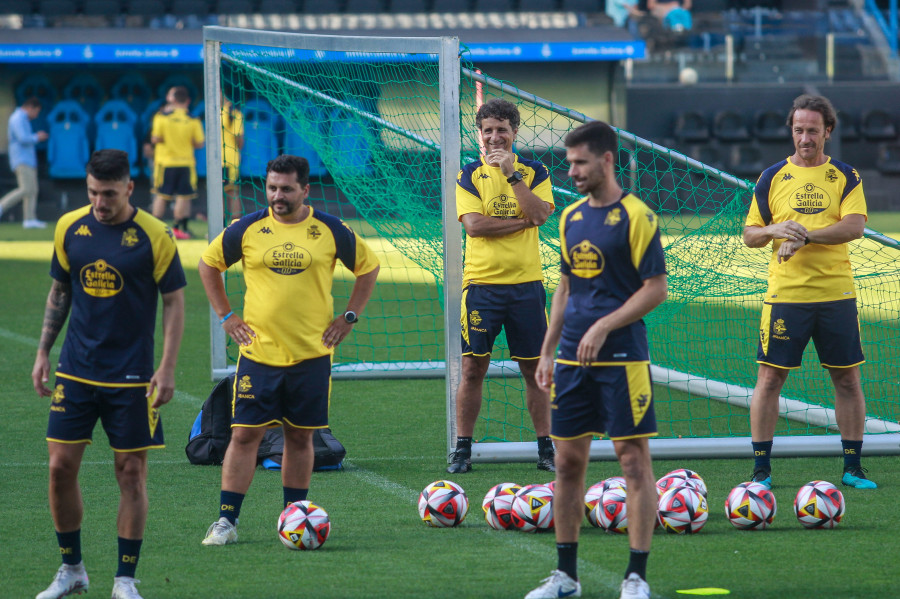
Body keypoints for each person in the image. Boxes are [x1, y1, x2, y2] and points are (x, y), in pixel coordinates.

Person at [199, 154, 380, 546]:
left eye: (286, 189)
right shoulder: (247, 228)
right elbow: (208, 264)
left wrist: (348, 317)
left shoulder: (331, 230)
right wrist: (227, 316)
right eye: (272, 187)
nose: (277, 196)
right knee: (244, 436)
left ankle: (293, 517)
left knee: (299, 439)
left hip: (312, 355)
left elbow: (369, 267)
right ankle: (226, 521)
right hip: (258, 354)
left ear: (305, 190)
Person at [32, 149, 186, 599]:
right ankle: (72, 569)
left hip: (133, 377)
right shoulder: (70, 227)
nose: (101, 203)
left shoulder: (155, 235)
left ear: (130, 188)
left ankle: (124, 580)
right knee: (60, 468)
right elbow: (59, 291)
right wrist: (43, 352)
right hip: (76, 370)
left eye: (110, 194)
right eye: (94, 193)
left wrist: (168, 366)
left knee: (131, 473)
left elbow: (175, 301)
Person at [527, 121, 667, 599]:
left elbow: (656, 288)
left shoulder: (637, 217)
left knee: (632, 462)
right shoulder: (569, 218)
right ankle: (566, 577)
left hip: (623, 358)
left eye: (580, 162)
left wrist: (605, 325)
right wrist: (547, 350)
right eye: (569, 163)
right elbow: (565, 287)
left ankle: (636, 577)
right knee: (567, 463)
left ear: (607, 161)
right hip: (570, 362)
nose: (573, 172)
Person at [743, 94, 877, 490]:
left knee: (848, 380)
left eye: (812, 131)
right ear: (792, 131)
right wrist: (774, 230)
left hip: (836, 295)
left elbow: (854, 226)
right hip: (786, 296)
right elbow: (750, 234)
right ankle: (761, 470)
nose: (805, 138)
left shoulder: (845, 176)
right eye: (798, 130)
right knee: (769, 380)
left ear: (827, 132)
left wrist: (805, 237)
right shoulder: (771, 177)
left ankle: (853, 467)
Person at [449, 97, 556, 474]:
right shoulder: (468, 174)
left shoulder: (534, 171)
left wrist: (513, 176)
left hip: (527, 286)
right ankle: (462, 448)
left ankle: (546, 448)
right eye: (488, 131)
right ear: (479, 135)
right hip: (481, 286)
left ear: (514, 133)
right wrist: (525, 222)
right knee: (474, 369)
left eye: (501, 131)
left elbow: (541, 213)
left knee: (534, 372)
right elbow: (475, 226)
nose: (495, 137)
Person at [150, 86, 205, 239]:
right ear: (187, 101)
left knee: (161, 195)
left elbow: (155, 138)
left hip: (165, 163)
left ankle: (155, 229)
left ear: (172, 99)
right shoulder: (193, 119)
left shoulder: (161, 117)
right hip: (186, 163)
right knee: (184, 196)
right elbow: (200, 143)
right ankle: (180, 229)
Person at [1, 97, 49, 228]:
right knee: (26, 189)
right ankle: (1, 206)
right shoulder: (17, 118)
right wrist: (37, 137)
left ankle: (29, 219)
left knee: (32, 190)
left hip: (28, 160)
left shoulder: (23, 119)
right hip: (21, 159)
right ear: (30, 108)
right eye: (36, 112)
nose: (36, 115)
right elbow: (22, 138)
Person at [221, 95, 245, 217]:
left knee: (229, 192)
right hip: (228, 160)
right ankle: (227, 225)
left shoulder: (231, 113)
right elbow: (239, 140)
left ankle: (232, 224)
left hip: (225, 161)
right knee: (229, 192)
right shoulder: (233, 113)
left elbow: (238, 138)